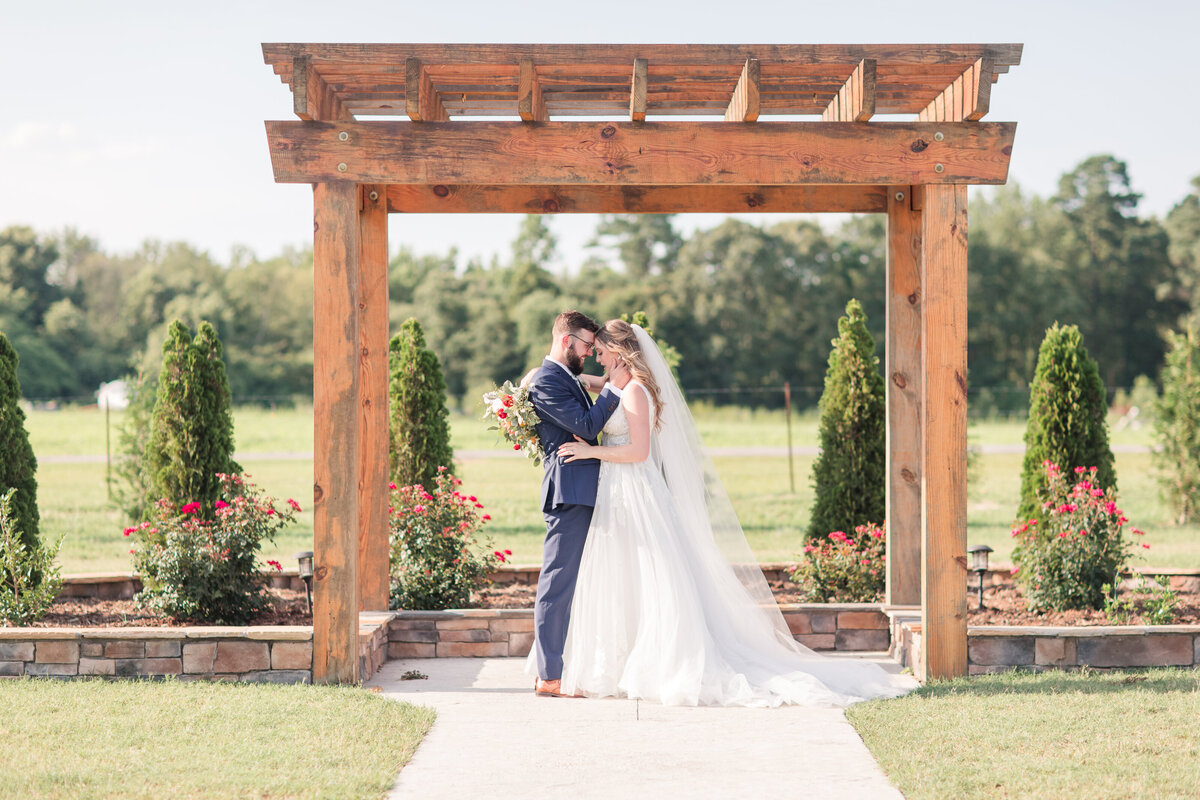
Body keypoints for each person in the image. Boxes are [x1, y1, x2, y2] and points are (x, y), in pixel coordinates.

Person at [549, 320, 914, 707]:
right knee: (623, 575)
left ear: (620, 354)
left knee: (649, 575)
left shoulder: (635, 392)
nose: (597, 358)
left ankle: (658, 662)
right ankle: (620, 663)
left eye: (602, 352)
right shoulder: (622, 385)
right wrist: (549, 375)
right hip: (618, 493)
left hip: (634, 490)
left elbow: (637, 452)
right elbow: (595, 385)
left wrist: (591, 451)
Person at [525, 311, 622, 698]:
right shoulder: (548, 380)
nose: (588, 353)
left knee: (581, 583)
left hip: (586, 488)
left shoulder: (563, 375)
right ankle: (549, 676)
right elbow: (585, 426)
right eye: (585, 346)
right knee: (557, 582)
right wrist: (615, 387)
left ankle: (572, 665)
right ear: (567, 341)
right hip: (569, 491)